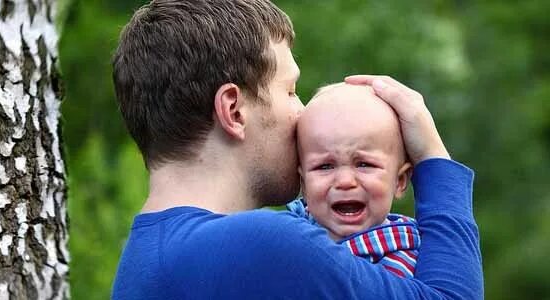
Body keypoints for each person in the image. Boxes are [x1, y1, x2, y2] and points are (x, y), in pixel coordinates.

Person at [110, 0, 483, 299]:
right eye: (290, 91)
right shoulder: (260, 244)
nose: (303, 112)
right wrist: (433, 156)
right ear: (234, 111)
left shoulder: (145, 257)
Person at [287, 83, 420, 278]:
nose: (345, 181)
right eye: (324, 166)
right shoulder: (287, 236)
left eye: (364, 164)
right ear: (304, 184)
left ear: (399, 181)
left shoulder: (405, 259)